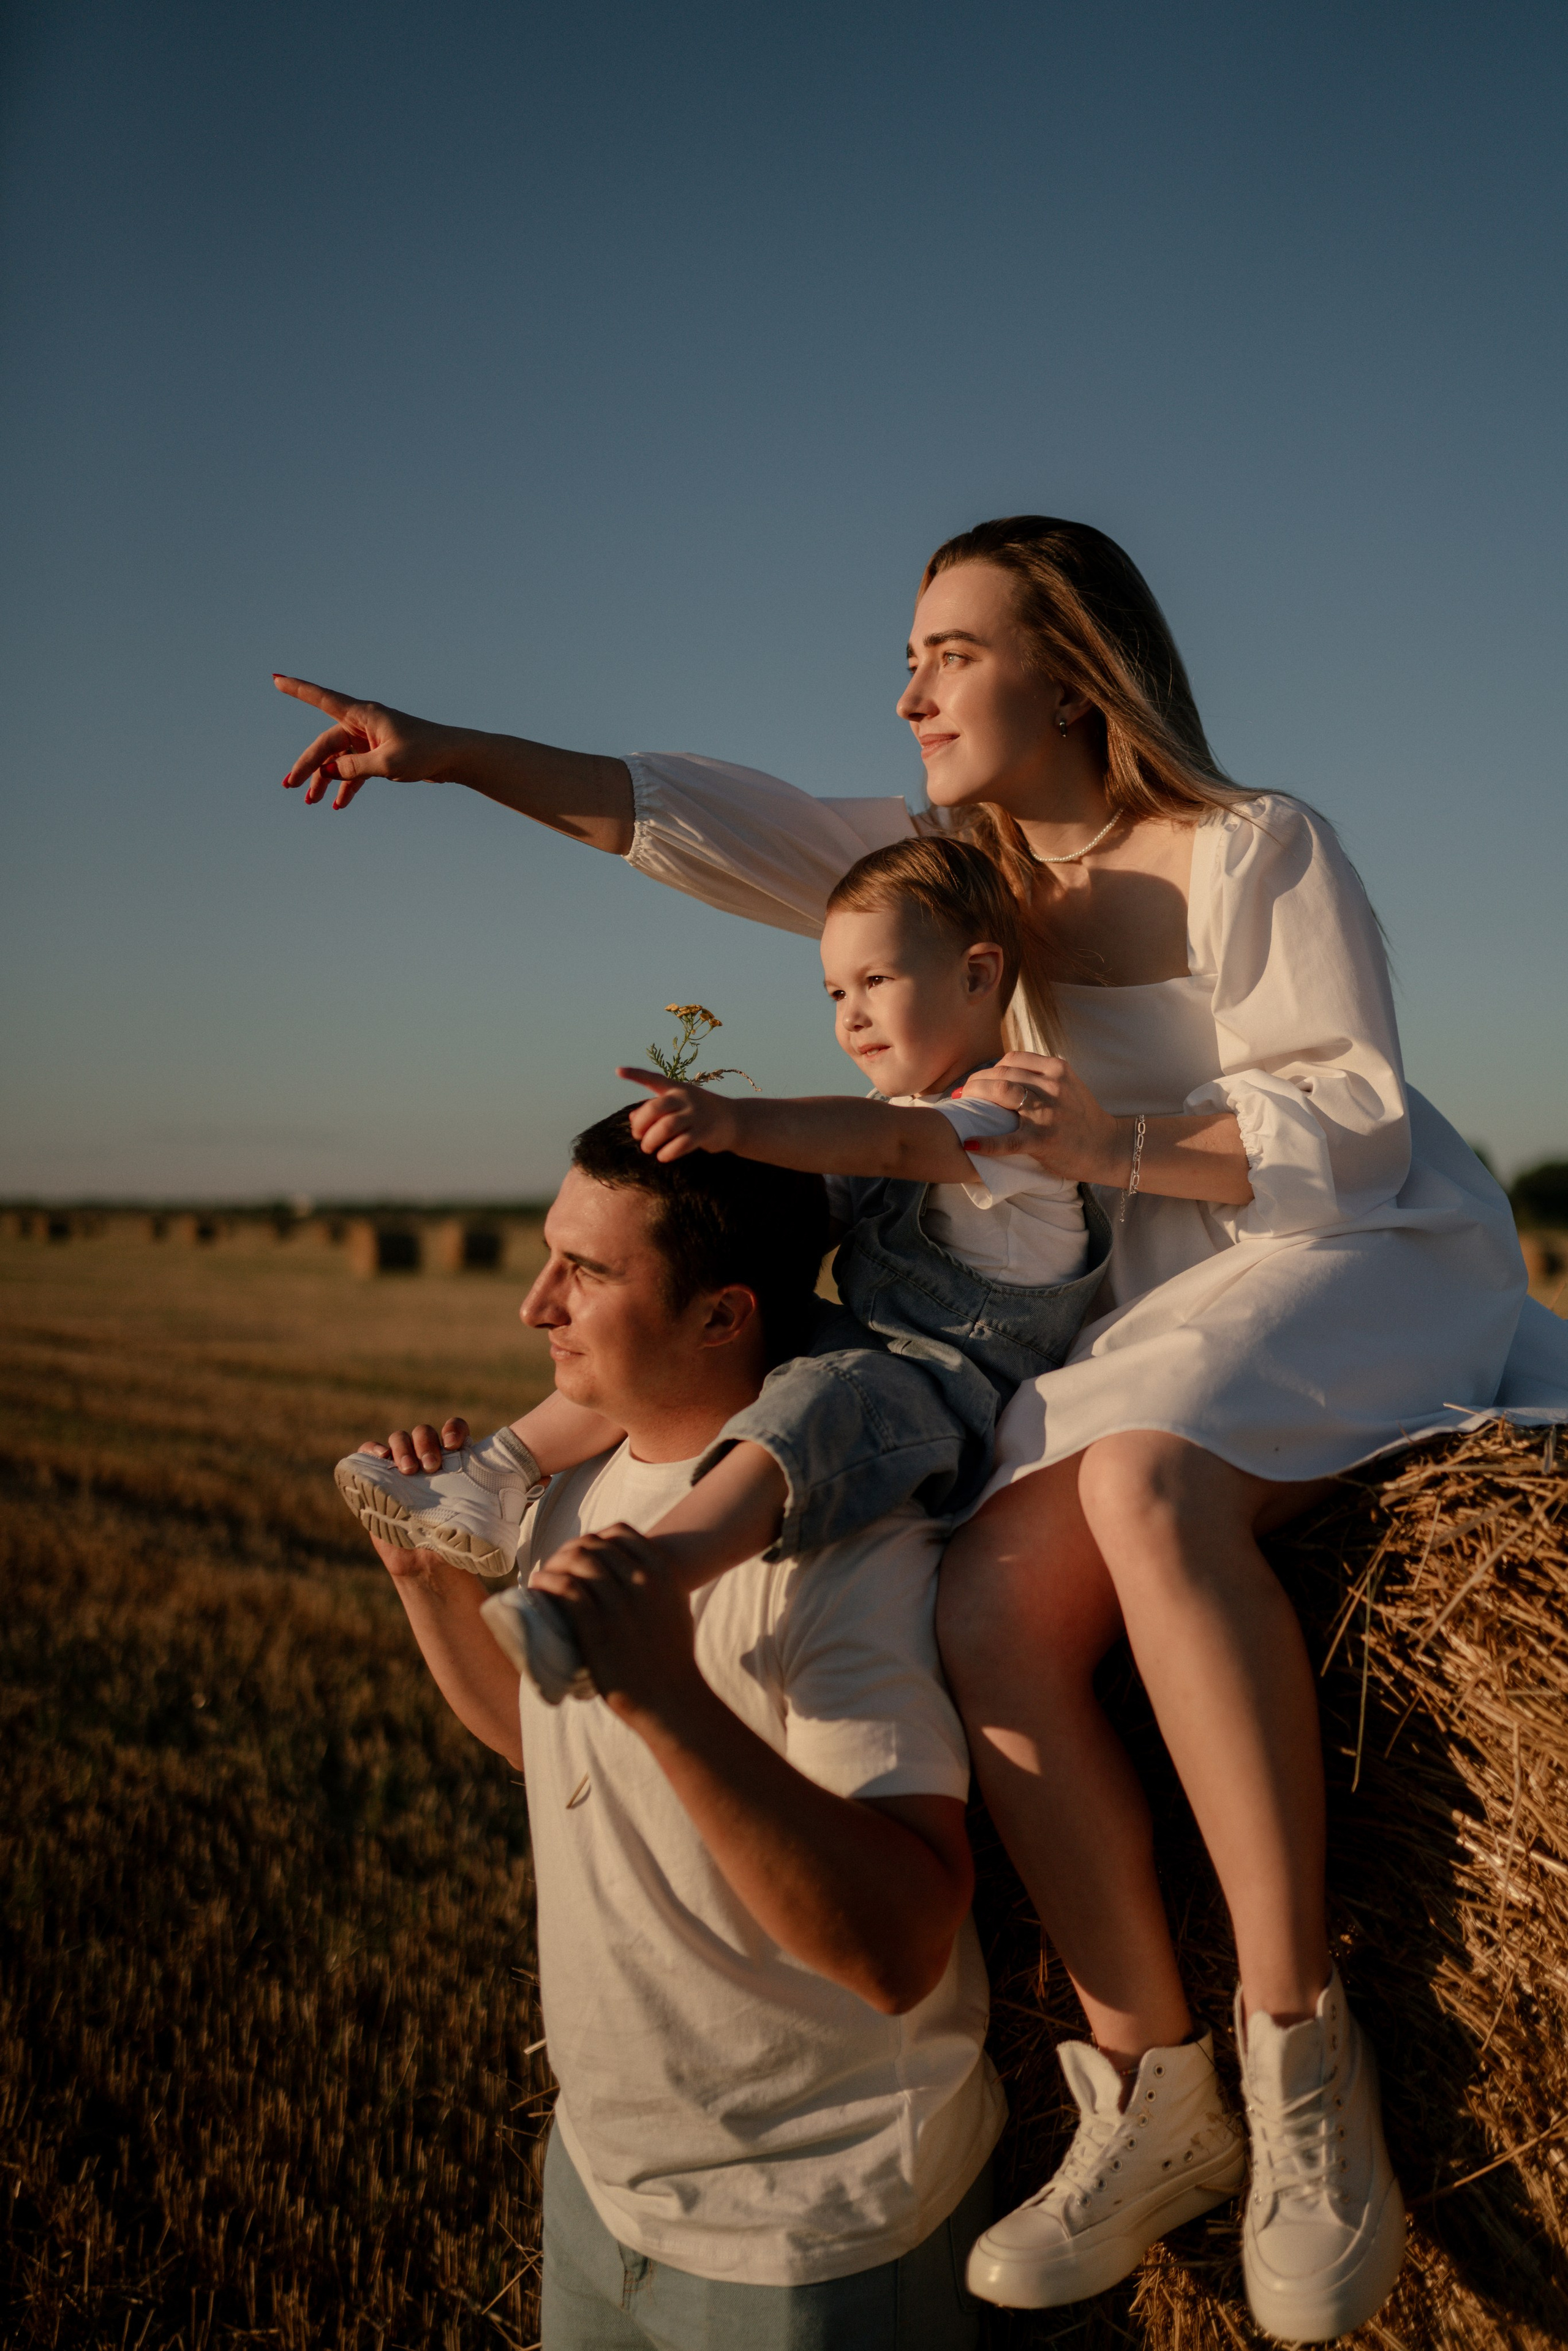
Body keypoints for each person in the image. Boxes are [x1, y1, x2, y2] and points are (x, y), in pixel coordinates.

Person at [276, 513, 1568, 2342]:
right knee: (985, 1613)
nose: (906, 687)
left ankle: (1304, 2062)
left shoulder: (1251, 846)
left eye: (947, 650)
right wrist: (449, 752)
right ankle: (1152, 2078)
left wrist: (1089, 1147)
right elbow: (692, 817)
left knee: (1137, 1481)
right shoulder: (956, 876)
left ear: (1073, 661)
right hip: (1143, 1298)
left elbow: (1347, 1132)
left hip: (1345, 1251)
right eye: (908, 654)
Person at [358, 1109, 1006, 2349]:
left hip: (807, 2233)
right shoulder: (576, 1491)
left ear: (724, 1314)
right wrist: (430, 1588)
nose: (532, 1305)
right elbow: (558, 1747)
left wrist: (664, 1691)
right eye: (550, 1256)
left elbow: (894, 1946)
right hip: (598, 2182)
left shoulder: (849, 1554)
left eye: (587, 1272)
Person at [336, 834, 1110, 1703]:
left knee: (828, 1395)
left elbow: (895, 1146)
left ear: (977, 975)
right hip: (870, 1347)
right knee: (682, 1318)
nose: (848, 1016)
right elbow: (797, 1218)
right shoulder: (885, 1113)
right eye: (834, 992)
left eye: (876, 982)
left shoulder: (1017, 1106)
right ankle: (494, 1473)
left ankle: (644, 1575)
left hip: (957, 1396)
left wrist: (736, 1122)